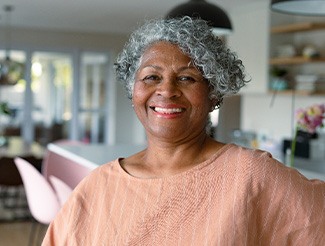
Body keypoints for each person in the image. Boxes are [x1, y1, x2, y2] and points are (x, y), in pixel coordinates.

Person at [42, 16, 324, 245]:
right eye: (151, 77)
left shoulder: (251, 176)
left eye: (187, 78)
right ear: (133, 91)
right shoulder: (98, 186)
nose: (166, 90)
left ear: (214, 93)